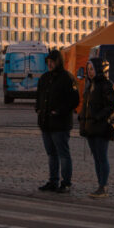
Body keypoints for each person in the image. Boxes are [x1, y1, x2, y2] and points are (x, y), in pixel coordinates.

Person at [34, 49, 80, 193]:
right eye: (48, 62)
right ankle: (53, 181)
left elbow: (75, 100)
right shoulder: (44, 78)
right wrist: (38, 108)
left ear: (58, 62)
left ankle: (66, 183)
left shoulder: (67, 78)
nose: (50, 64)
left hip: (60, 124)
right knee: (51, 154)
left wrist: (59, 111)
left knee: (63, 154)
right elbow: (39, 96)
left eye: (52, 62)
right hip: (46, 123)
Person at [80, 57, 114, 199]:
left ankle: (103, 186)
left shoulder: (107, 85)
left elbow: (112, 106)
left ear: (99, 70)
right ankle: (100, 185)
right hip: (90, 127)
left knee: (102, 157)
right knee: (96, 158)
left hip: (101, 127)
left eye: (92, 69)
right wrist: (83, 120)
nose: (90, 72)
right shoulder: (90, 85)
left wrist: (98, 116)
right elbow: (86, 106)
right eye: (88, 69)